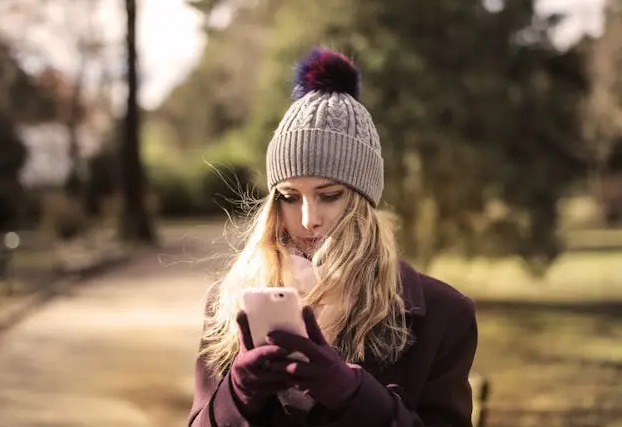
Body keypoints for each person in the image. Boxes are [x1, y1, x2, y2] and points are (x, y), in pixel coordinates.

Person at [187, 46, 478, 427]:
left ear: (362, 200)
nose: (308, 219)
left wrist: (354, 394)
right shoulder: (228, 303)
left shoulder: (444, 314)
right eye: (290, 197)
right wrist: (237, 395)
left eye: (329, 195)